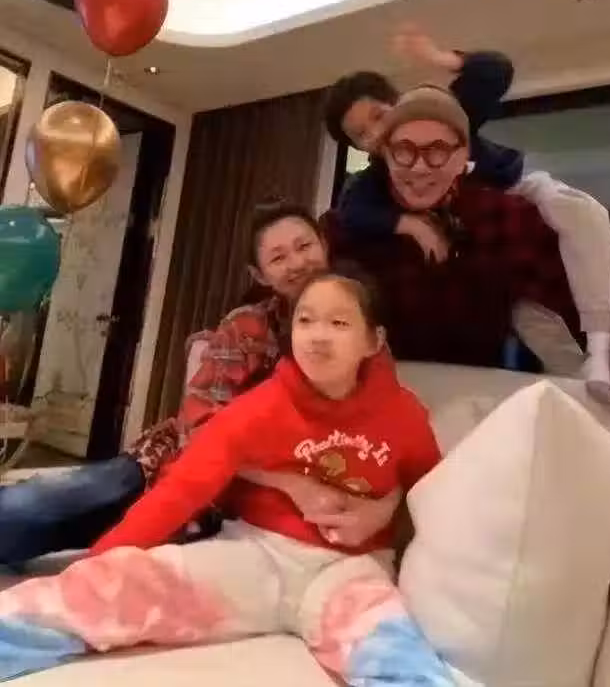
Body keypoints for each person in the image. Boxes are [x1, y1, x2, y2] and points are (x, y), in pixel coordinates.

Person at [0, 268, 453, 687]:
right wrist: (100, 565)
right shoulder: (260, 408)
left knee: (398, 656)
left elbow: (434, 497)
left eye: (338, 323)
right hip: (257, 555)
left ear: (374, 340)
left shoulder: (404, 415)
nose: (317, 336)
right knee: (118, 583)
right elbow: (181, 491)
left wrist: (386, 509)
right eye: (306, 321)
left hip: (349, 572)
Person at [0, 202, 393, 564]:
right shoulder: (246, 327)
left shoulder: (364, 339)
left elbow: (392, 443)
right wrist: (291, 483)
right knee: (24, 515)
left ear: (324, 246)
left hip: (241, 513)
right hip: (172, 470)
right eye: (278, 257)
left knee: (82, 540)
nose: (297, 263)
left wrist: (377, 510)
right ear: (260, 275)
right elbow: (200, 429)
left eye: (304, 246)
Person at [324, 26, 610, 392]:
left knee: (577, 211)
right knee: (533, 322)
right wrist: (408, 224)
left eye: (380, 116)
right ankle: (586, 382)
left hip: (513, 186)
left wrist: (437, 57)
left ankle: (601, 350)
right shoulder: (372, 187)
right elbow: (351, 211)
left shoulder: (441, 116)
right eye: (362, 135)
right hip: (485, 301)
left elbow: (494, 71)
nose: (377, 133)